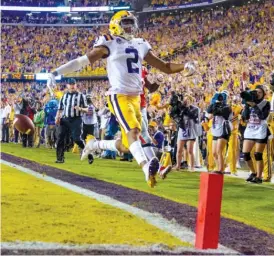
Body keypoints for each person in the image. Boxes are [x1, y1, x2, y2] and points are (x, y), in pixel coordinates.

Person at [48, 11, 195, 187]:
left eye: (131, 23)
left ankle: (95, 145)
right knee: (134, 132)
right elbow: (83, 61)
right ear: (116, 24)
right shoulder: (108, 41)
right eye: (126, 23)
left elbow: (164, 66)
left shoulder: (140, 44)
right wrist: (56, 72)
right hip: (119, 95)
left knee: (128, 145)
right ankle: (146, 167)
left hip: (136, 97)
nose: (130, 27)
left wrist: (184, 66)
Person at [54, 78, 89, 163]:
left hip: (76, 119)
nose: (72, 86)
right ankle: (60, 158)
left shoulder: (81, 96)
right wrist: (57, 117)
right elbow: (60, 108)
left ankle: (87, 151)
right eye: (70, 84)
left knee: (76, 138)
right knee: (60, 138)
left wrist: (80, 108)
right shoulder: (64, 96)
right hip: (65, 119)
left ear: (76, 85)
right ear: (67, 86)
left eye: (73, 84)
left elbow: (87, 109)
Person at [241, 85, 271, 183]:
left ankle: (259, 177)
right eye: (256, 92)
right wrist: (246, 105)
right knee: (245, 154)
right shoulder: (249, 103)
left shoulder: (266, 103)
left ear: (263, 94)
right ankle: (253, 172)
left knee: (258, 154)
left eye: (260, 92)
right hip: (250, 129)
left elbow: (263, 116)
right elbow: (245, 118)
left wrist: (254, 106)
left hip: (261, 130)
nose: (257, 94)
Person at [207, 91, 232, 174]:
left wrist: (217, 105)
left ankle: (221, 169)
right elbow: (209, 112)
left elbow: (221, 112)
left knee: (219, 151)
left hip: (224, 130)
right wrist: (214, 103)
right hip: (216, 129)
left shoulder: (227, 107)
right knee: (214, 152)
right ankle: (219, 167)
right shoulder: (215, 105)